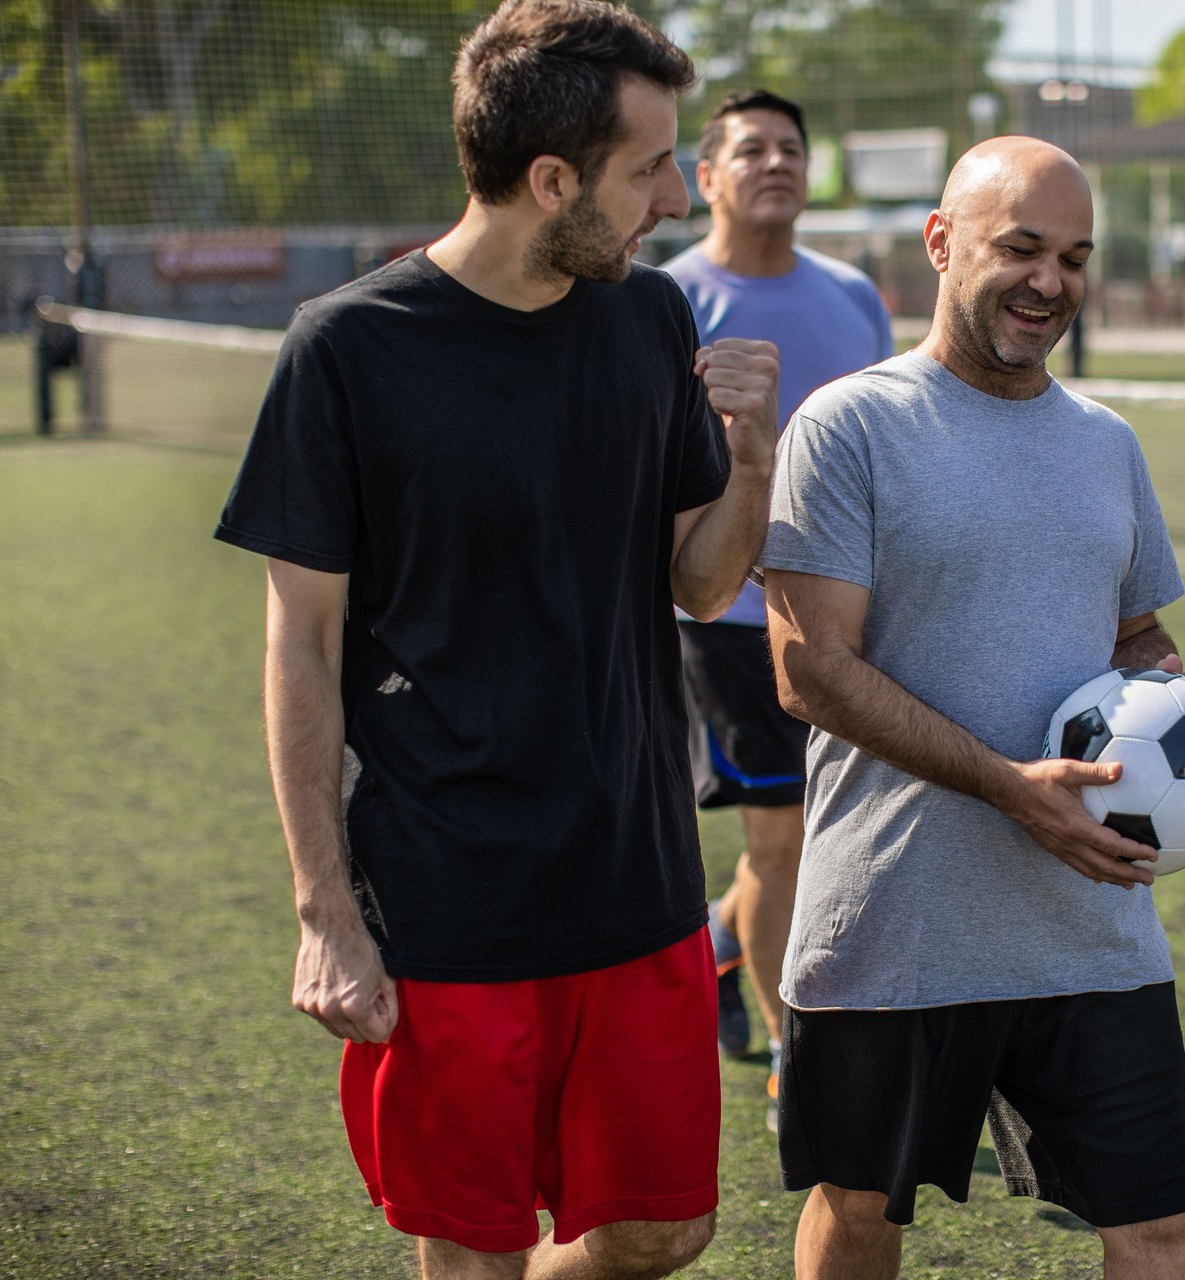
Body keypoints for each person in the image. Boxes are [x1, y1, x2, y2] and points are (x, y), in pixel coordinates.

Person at [211, 3, 780, 1277]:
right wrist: (323, 913)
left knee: (661, 1230)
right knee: (470, 1251)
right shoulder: (348, 349)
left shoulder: (647, 321)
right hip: (444, 893)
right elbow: (299, 643)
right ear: (551, 178)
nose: (679, 197)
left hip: (636, 875)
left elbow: (701, 584)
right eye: (652, 168)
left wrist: (753, 463)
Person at [759, 136, 1185, 1280]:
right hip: (895, 922)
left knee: (1163, 1226)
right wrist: (1007, 788)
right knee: (860, 1210)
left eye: (1075, 257)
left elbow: (1136, 637)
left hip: (1091, 921)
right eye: (1022, 248)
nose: (1051, 281)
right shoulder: (848, 426)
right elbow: (810, 668)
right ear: (942, 243)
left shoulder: (1105, 442)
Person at [659, 91, 895, 1108]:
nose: (775, 162)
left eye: (792, 147)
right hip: (732, 625)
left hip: (854, 618)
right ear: (705, 177)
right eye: (750, 149)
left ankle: (719, 936)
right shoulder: (667, 302)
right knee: (780, 835)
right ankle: (798, 1053)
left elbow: (887, 445)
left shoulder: (853, 294)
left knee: (855, 830)